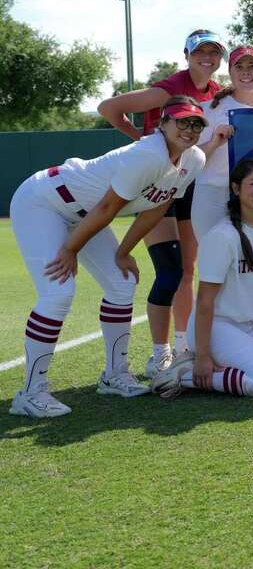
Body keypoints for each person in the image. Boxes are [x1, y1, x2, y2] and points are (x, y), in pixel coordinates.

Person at [9, 97, 208, 417]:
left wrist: (123, 251)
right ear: (163, 123)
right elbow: (108, 208)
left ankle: (115, 374)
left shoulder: (194, 158)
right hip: (44, 201)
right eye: (181, 121)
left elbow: (155, 208)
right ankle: (31, 392)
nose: (189, 129)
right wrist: (70, 249)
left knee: (122, 281)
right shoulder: (148, 154)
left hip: (84, 212)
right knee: (58, 291)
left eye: (196, 124)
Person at [98, 29, 225, 379]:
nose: (208, 57)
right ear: (186, 54)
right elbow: (108, 108)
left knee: (187, 271)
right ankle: (159, 355)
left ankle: (183, 345)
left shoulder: (216, 92)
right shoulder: (168, 89)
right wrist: (144, 139)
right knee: (169, 270)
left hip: (188, 184)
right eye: (200, 51)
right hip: (156, 185)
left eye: (214, 52)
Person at [151, 158, 253, 399]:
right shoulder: (222, 236)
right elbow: (204, 302)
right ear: (235, 188)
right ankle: (186, 373)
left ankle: (226, 364)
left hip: (248, 325)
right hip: (215, 327)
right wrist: (203, 355)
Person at [192, 46, 253, 239]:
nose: (245, 71)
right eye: (239, 66)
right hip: (213, 195)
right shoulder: (208, 109)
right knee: (213, 261)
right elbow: (189, 161)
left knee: (251, 261)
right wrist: (213, 143)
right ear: (230, 71)